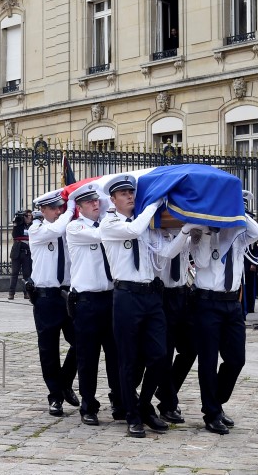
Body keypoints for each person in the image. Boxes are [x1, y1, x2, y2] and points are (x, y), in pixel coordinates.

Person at [99, 174, 168, 438]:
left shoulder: (145, 224)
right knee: (128, 359)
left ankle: (144, 404)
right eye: (124, 193)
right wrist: (153, 203)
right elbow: (133, 230)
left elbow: (164, 253)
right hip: (126, 296)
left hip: (151, 295)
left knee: (160, 355)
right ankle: (133, 415)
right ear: (113, 200)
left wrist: (185, 234)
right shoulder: (110, 223)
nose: (130, 196)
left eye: (132, 192)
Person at [190, 212, 258, 434]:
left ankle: (216, 401)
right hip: (207, 303)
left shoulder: (240, 235)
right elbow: (201, 261)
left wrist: (240, 212)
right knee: (208, 361)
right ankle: (211, 413)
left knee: (236, 360)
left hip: (232, 303)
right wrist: (207, 231)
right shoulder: (202, 233)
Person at [65, 183, 121, 425]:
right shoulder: (76, 227)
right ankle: (89, 405)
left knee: (115, 355)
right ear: (79, 207)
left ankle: (119, 400)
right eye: (89, 202)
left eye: (97, 200)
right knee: (88, 357)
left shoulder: (107, 225)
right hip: (86, 301)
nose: (95, 204)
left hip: (110, 298)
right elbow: (103, 234)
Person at [28, 188, 79, 417]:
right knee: (48, 349)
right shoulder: (37, 229)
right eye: (55, 208)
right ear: (43, 210)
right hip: (46, 297)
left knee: (80, 342)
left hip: (67, 295)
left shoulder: (69, 229)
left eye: (61, 207)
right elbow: (56, 228)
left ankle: (65, 382)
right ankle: (55, 396)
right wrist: (70, 209)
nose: (59, 211)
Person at [150, 224, 198, 425]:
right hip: (163, 295)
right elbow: (169, 253)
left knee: (190, 348)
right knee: (165, 352)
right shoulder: (155, 233)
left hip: (182, 293)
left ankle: (165, 392)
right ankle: (168, 404)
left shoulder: (184, 232)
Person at [8, 210, 33, 300]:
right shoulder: (19, 224)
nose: (28, 217)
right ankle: (11, 293)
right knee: (14, 273)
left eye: (30, 215)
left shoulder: (32, 226)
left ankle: (26, 293)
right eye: (26, 216)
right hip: (17, 252)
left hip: (27, 252)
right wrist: (17, 222)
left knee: (27, 274)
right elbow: (14, 235)